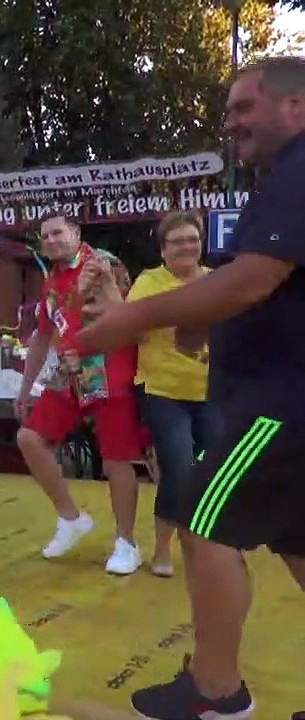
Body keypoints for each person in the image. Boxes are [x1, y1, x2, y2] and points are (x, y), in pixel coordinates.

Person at [79, 56, 305, 720]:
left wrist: (131, 317)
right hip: (283, 395)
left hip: (280, 405)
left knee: (200, 518)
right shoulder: (284, 181)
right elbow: (269, 290)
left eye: (245, 107)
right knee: (297, 544)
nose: (232, 122)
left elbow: (252, 279)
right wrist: (205, 327)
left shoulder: (297, 173)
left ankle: (215, 692)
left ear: (294, 106)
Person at [14, 212, 144, 575]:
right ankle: (70, 518)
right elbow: (42, 336)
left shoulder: (103, 264)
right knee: (29, 437)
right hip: (69, 371)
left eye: (58, 232)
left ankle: (127, 543)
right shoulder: (51, 280)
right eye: (45, 236)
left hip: (108, 369)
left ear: (75, 232)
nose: (51, 240)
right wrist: (26, 389)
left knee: (117, 458)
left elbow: (132, 314)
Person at [127, 210, 221, 578]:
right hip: (163, 391)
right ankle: (164, 548)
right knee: (179, 468)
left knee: (212, 470)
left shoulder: (217, 281)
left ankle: (206, 546)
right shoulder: (150, 281)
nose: (186, 246)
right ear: (163, 248)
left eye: (192, 239)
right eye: (177, 241)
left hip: (212, 392)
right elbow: (131, 324)